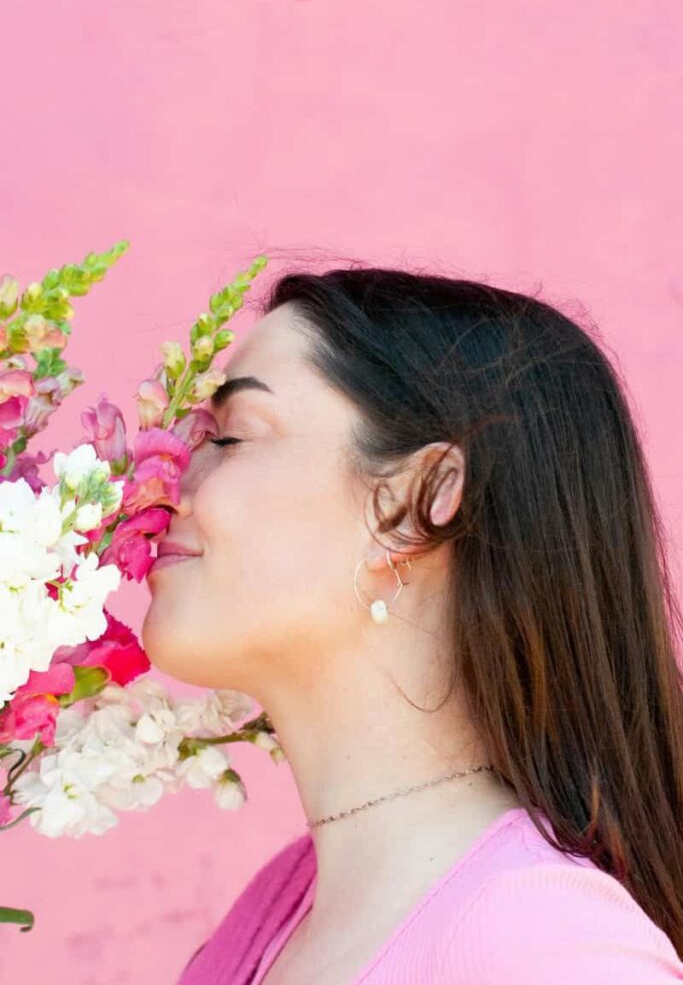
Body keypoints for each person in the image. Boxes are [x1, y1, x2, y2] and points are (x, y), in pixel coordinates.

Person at [143, 268, 683, 983]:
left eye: (229, 437)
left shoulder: (545, 946)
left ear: (414, 503)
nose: (161, 480)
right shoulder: (273, 916)